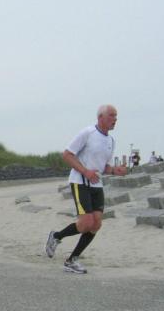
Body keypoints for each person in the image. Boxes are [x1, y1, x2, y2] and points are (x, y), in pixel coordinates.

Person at [44, 104, 127, 274]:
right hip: (80, 182)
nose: (115, 119)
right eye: (112, 115)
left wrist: (114, 171)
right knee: (86, 223)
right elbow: (67, 155)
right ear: (100, 117)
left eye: (116, 116)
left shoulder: (111, 141)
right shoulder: (88, 133)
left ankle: (71, 260)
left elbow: (103, 167)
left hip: (96, 184)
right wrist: (85, 171)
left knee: (96, 224)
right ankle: (56, 236)